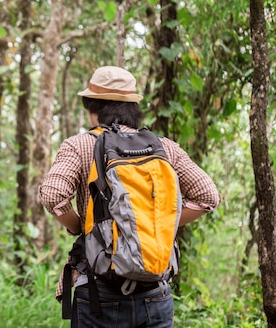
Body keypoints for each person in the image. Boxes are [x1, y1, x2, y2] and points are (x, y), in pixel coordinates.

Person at [39, 66, 221, 328]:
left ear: (92, 107)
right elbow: (208, 196)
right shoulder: (163, 147)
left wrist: (78, 225)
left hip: (98, 289)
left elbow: (53, 195)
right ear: (133, 107)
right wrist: (157, 222)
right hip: (154, 293)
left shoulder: (80, 145)